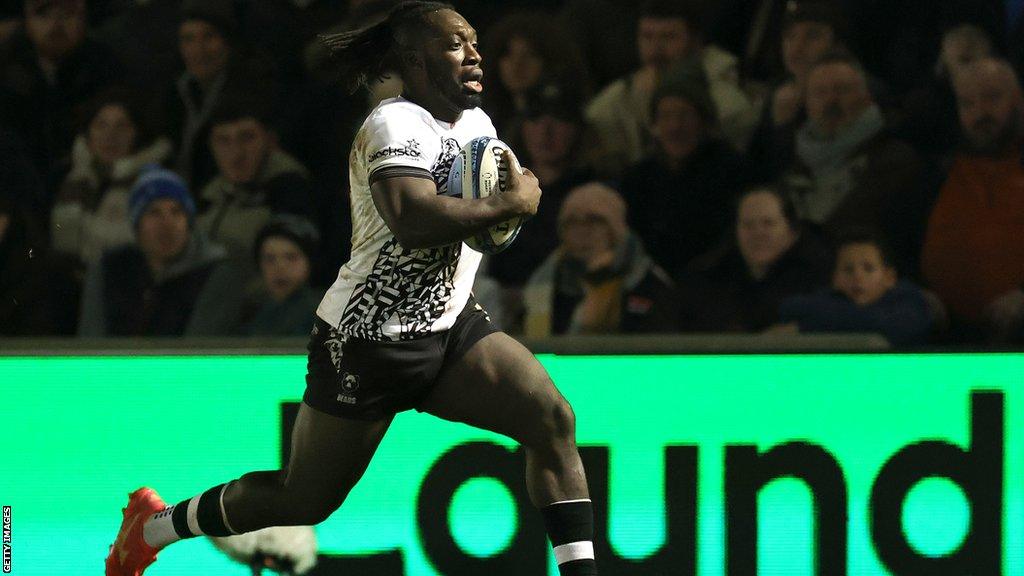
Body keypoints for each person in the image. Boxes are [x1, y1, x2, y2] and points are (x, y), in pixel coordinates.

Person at [105, 4, 599, 576]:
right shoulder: (392, 123)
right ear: (416, 59)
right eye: (456, 44)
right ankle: (154, 527)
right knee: (303, 500)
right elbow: (412, 220)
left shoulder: (478, 124)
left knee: (552, 419)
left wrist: (498, 220)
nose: (475, 54)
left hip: (449, 326)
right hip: (368, 342)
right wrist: (511, 204)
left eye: (475, 41)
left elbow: (476, 228)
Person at [585, 0, 756, 173]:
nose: (655, 49)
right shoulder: (618, 99)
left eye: (668, 37)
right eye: (647, 37)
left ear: (696, 42)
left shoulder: (726, 102)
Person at [921, 57, 1024, 342]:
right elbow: (896, 243)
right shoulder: (934, 175)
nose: (981, 112)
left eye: (992, 98)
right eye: (967, 103)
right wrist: (915, 292)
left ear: (1018, 99)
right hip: (942, 336)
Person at [619, 79, 750, 279]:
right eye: (665, 116)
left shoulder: (731, 169)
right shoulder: (639, 178)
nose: (675, 126)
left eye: (685, 115)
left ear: (704, 121)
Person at [78, 166, 229, 337]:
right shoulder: (108, 268)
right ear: (137, 224)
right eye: (154, 212)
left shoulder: (213, 274)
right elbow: (91, 340)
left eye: (176, 212)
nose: (167, 224)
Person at [522, 182, 677, 336]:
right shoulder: (549, 280)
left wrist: (601, 282)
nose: (582, 231)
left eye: (595, 221)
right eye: (572, 222)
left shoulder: (648, 282)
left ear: (616, 229)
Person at [679, 186, 831, 332]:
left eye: (768, 223)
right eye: (748, 225)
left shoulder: (820, 279)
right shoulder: (707, 278)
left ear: (792, 231)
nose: (758, 233)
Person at [50, 88, 173, 265]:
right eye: (101, 125)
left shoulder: (154, 186)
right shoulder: (74, 179)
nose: (110, 136)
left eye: (122, 126)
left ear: (138, 133)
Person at [196, 95, 315, 257]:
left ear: (270, 141)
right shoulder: (208, 194)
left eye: (247, 137)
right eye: (223, 141)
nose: (236, 154)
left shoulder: (292, 193)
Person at [774, 231, 933, 346]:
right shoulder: (828, 300)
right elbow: (789, 307)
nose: (857, 277)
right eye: (848, 269)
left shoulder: (910, 302)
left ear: (889, 278)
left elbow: (883, 324)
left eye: (869, 268)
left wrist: (805, 326)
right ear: (835, 278)